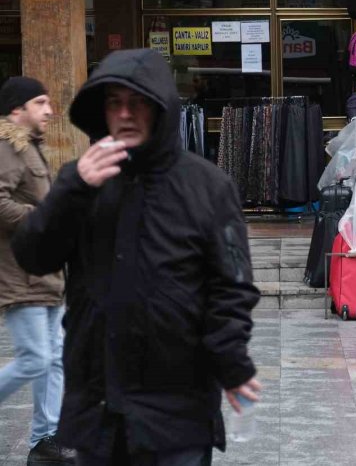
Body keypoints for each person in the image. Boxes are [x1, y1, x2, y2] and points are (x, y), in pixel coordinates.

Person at [12, 49, 261, 465]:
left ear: (161, 107)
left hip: (176, 410)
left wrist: (231, 361)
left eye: (138, 102)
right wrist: (72, 189)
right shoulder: (85, 180)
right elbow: (33, 256)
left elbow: (232, 285)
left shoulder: (208, 186)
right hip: (98, 406)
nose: (125, 113)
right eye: (114, 102)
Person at [0, 77, 76, 464]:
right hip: (20, 273)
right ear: (17, 109)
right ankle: (44, 437)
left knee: (55, 357)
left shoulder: (27, 147)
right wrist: (41, 216)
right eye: (41, 103)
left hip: (45, 274)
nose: (49, 111)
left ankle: (45, 439)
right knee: (35, 358)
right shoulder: (7, 147)